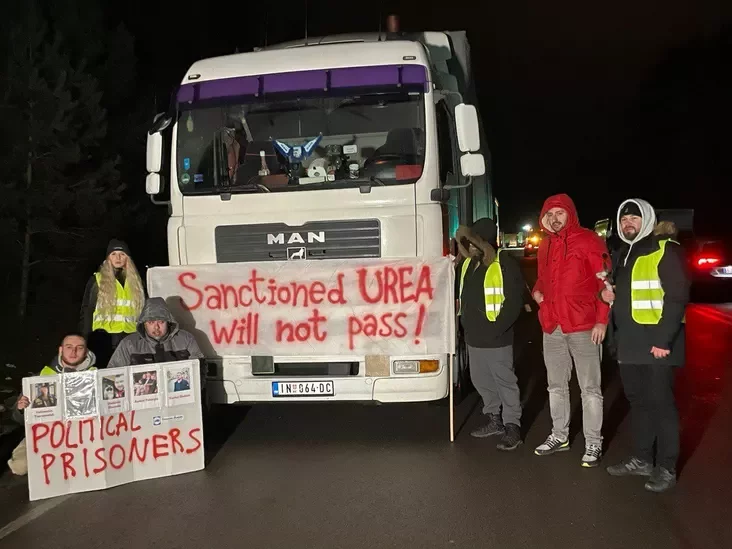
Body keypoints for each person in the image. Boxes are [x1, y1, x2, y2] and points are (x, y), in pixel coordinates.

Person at [602, 199, 689, 493]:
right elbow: (625, 294)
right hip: (629, 344)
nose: (628, 223)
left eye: (634, 218)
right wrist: (607, 295)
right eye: (624, 218)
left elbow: (677, 297)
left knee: (661, 406)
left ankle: (666, 466)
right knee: (639, 404)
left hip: (656, 346)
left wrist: (663, 340)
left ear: (648, 221)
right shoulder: (623, 254)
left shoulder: (666, 249)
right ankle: (642, 459)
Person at [532, 193, 611, 467]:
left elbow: (605, 282)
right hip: (552, 326)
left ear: (570, 214)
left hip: (584, 326)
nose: (554, 218)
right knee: (556, 386)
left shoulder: (589, 240)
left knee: (590, 388)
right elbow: (541, 278)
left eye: (560, 213)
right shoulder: (545, 245)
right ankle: (559, 435)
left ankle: (593, 442)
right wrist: (537, 293)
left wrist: (601, 320)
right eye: (549, 214)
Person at [456, 218, 525, 451]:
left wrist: (496, 330)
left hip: (497, 339)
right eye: (467, 242)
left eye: (473, 241)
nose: (470, 246)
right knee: (482, 381)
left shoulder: (503, 263)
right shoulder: (468, 264)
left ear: (483, 241)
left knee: (505, 383)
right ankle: (494, 420)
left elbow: (514, 302)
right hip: (473, 338)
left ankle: (513, 426)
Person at [8, 334, 97, 476]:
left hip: (83, 434)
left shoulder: (96, 376)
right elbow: (17, 419)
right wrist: (20, 409)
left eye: (79, 348)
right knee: (19, 466)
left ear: (86, 352)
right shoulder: (40, 376)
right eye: (69, 347)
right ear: (61, 350)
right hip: (45, 434)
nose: (73, 352)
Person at [80, 239, 146, 368]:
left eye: (122, 254)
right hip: (104, 338)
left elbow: (145, 311)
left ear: (127, 258)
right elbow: (87, 310)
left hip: (130, 336)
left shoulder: (137, 282)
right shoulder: (97, 280)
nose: (118, 258)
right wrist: (84, 338)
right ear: (108, 257)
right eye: (113, 254)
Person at [108, 298, 204, 370]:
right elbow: (112, 373)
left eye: (161, 322)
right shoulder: (129, 344)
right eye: (151, 322)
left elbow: (200, 367)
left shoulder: (186, 339)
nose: (156, 327)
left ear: (168, 322)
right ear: (144, 324)